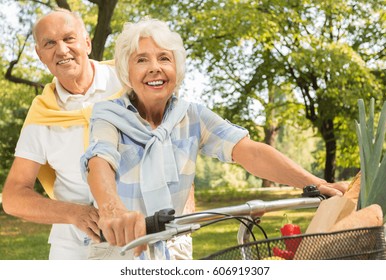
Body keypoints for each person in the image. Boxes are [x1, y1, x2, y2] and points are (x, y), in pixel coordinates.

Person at [80, 18, 348, 259]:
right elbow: (100, 160)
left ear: (177, 68)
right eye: (141, 60)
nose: (154, 68)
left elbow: (251, 152)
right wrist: (112, 209)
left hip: (171, 246)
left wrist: (316, 184)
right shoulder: (108, 114)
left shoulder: (192, 117)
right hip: (116, 248)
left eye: (164, 58)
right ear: (127, 71)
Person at [1, 8, 124, 259]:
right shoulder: (42, 113)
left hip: (142, 237)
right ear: (39, 54)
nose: (62, 50)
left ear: (87, 43)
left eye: (69, 38)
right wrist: (73, 213)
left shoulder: (129, 82)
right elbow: (12, 197)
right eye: (49, 43)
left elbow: (177, 138)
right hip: (75, 247)